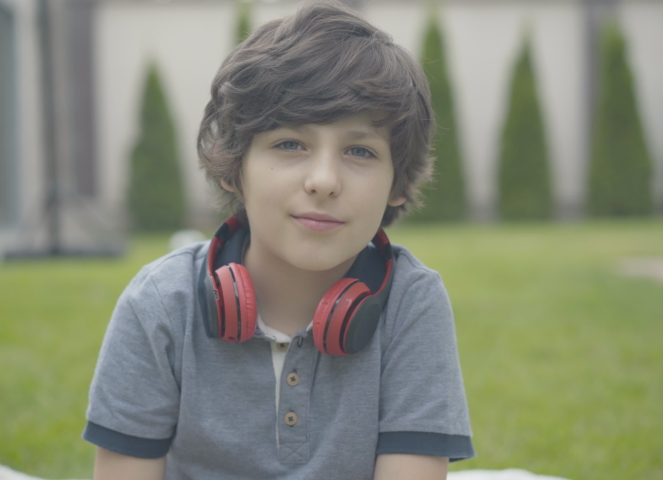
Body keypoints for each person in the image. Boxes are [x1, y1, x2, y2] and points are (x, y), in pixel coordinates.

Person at [83, 2, 473, 479]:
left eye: (359, 150)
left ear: (397, 183)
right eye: (290, 143)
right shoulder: (161, 303)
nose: (324, 180)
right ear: (234, 165)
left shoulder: (413, 303)